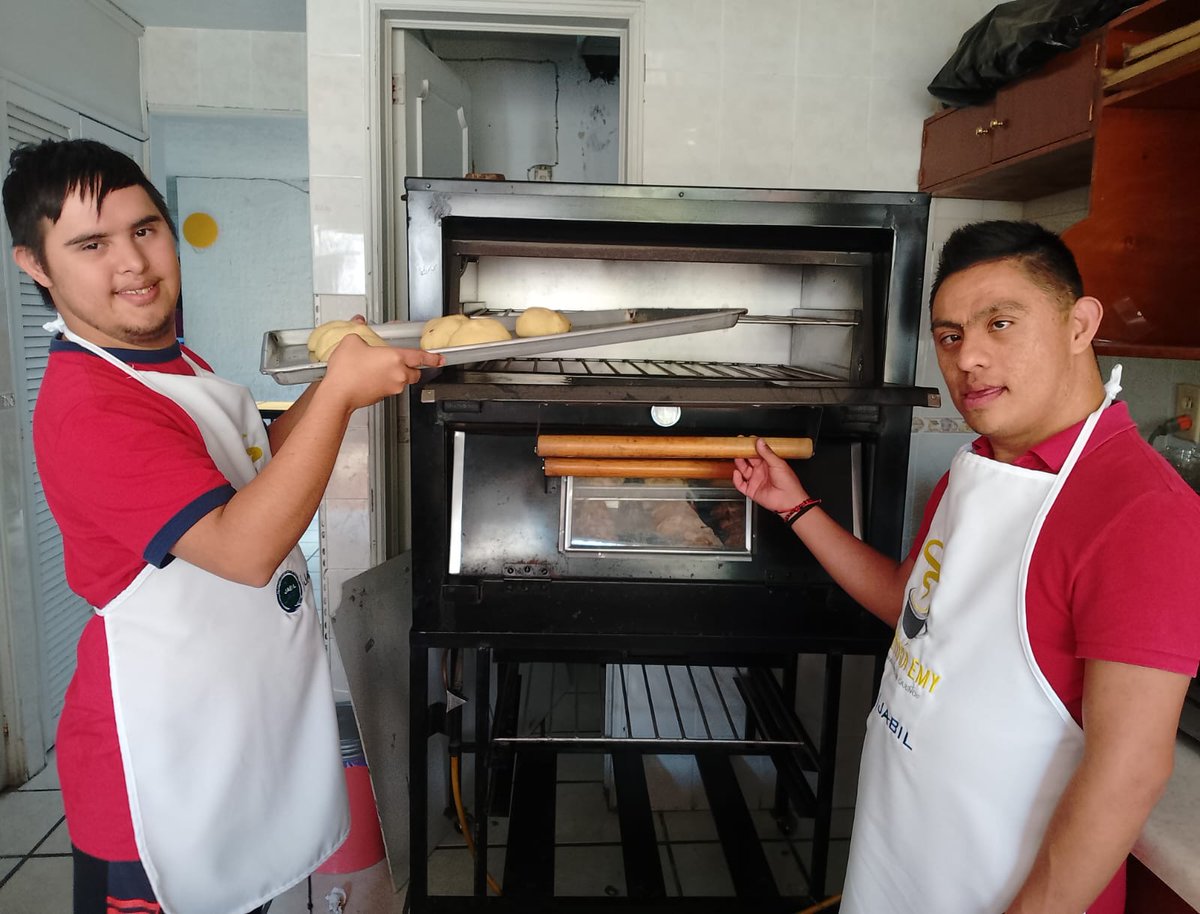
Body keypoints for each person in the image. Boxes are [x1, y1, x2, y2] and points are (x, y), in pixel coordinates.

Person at [2, 138, 443, 914]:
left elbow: (243, 480)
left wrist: (339, 387)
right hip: (153, 770)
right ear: (35, 265)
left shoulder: (163, 361)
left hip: (225, 734)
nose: (133, 264)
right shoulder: (91, 407)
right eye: (91, 244)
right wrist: (337, 395)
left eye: (145, 229)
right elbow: (243, 547)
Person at [732, 220, 1200, 914]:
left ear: (1080, 324)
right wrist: (796, 507)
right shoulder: (979, 467)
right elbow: (912, 610)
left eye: (1001, 323)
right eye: (950, 336)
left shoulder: (1144, 512)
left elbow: (1127, 775)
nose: (968, 358)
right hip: (906, 852)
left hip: (1004, 886)